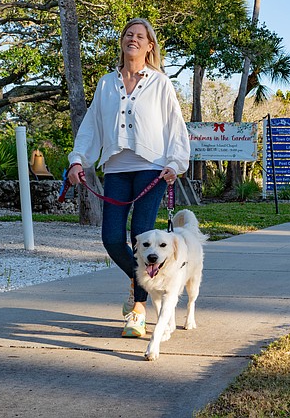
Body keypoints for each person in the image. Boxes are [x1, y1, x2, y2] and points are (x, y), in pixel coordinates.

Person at [66, 18, 190, 338]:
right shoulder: (107, 83)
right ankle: (141, 281)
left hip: (152, 169)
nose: (133, 39)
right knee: (111, 238)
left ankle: (137, 311)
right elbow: (91, 126)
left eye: (140, 36)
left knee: (140, 236)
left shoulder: (160, 82)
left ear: (150, 47)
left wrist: (175, 163)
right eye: (128, 35)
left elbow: (175, 125)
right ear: (122, 42)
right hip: (116, 170)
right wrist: (78, 160)